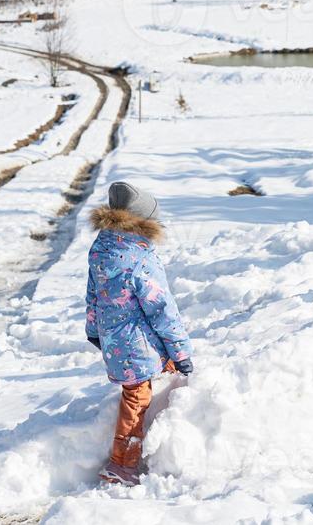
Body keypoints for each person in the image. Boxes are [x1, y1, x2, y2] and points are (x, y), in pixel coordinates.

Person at [85, 181, 192, 486]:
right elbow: (163, 309)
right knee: (136, 397)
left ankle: (178, 412)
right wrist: (181, 351)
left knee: (157, 376)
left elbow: (92, 294)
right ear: (143, 222)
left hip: (115, 339)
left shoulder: (102, 249)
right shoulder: (141, 259)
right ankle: (121, 465)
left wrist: (94, 330)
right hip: (136, 343)